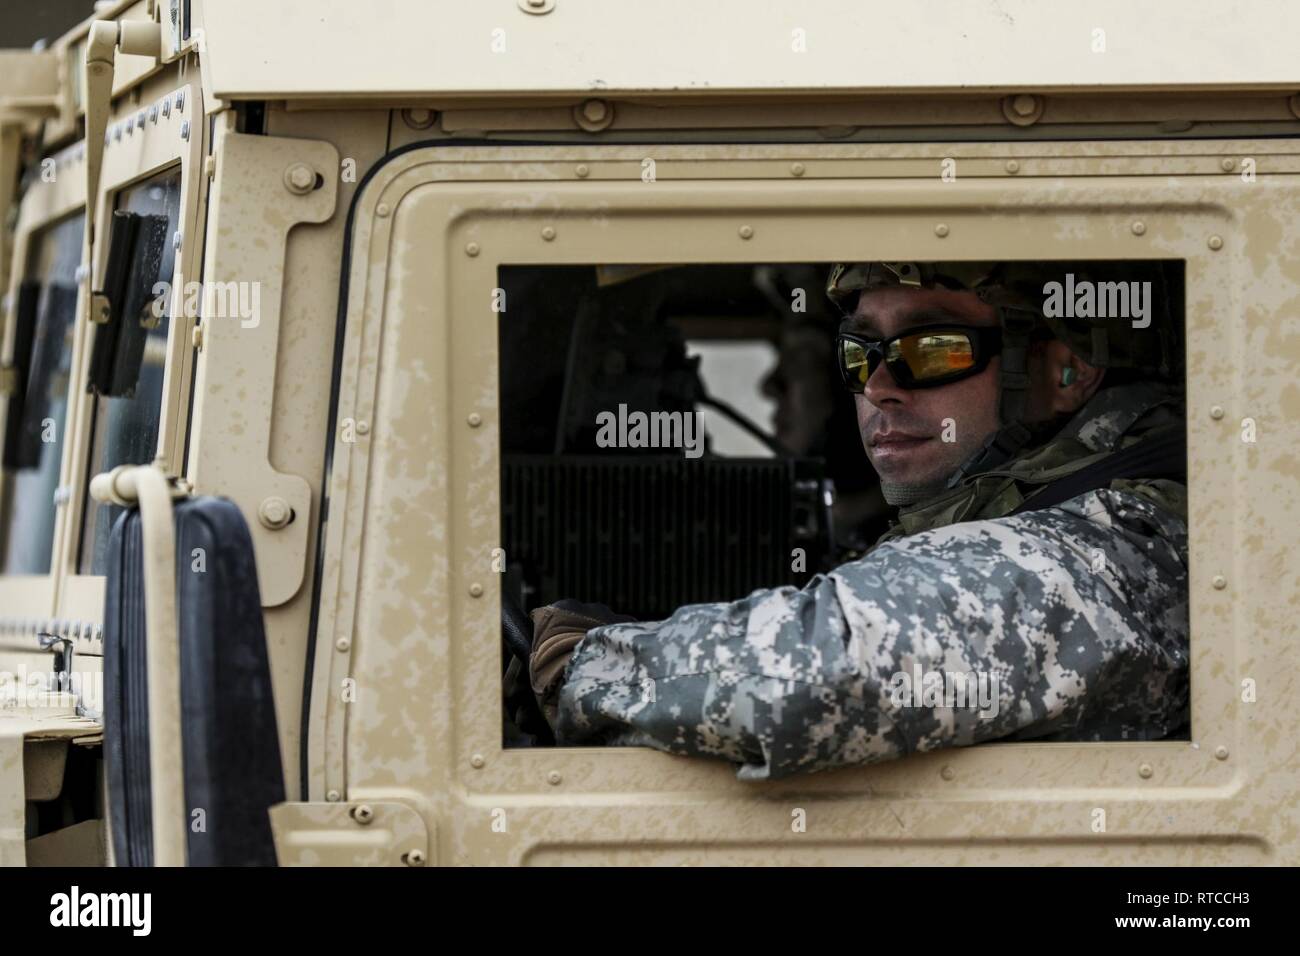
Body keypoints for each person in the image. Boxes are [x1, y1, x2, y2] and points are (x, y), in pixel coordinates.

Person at [529, 261, 1190, 780]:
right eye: (859, 353)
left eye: (931, 349)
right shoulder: (999, 511)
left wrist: (586, 666)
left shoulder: (1132, 539)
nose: (878, 386)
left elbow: (829, 668)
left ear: (1065, 368)